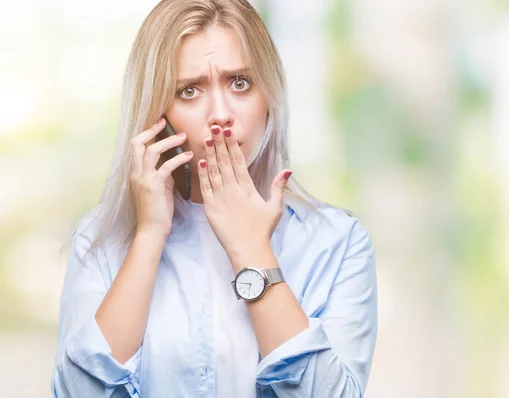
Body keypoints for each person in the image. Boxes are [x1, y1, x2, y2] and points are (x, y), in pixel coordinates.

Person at [51, 1, 378, 397]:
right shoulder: (100, 241)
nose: (220, 114)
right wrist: (150, 235)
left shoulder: (338, 243)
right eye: (189, 91)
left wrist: (252, 252)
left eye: (240, 82)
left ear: (270, 93)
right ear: (157, 113)